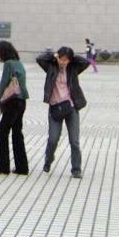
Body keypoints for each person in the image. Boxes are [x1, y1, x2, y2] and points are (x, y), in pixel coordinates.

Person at [36, 46, 89, 178]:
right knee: (53, 139)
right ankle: (48, 160)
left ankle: (76, 169)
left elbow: (85, 62)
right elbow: (39, 59)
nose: (63, 62)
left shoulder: (73, 68)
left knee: (74, 141)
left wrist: (72, 58)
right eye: (61, 59)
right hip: (55, 107)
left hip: (71, 107)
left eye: (66, 60)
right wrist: (53, 56)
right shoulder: (51, 67)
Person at [0, 40, 29, 176]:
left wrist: (1, 102)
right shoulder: (19, 63)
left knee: (3, 133)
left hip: (11, 102)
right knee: (17, 133)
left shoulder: (8, 64)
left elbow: (3, 83)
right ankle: (22, 167)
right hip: (22, 101)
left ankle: (2, 167)